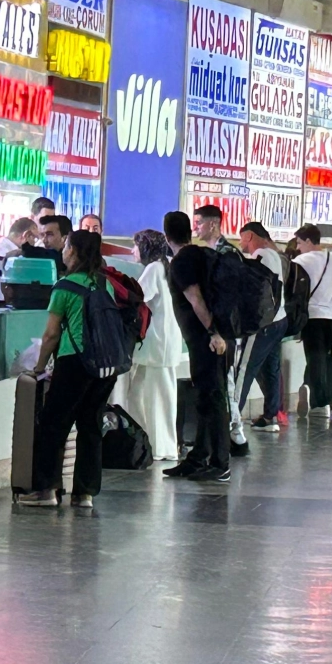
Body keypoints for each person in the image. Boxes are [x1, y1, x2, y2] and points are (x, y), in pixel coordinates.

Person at [18, 230, 119, 508]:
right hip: (104, 364)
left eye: (65, 247)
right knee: (90, 426)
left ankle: (45, 491)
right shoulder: (103, 283)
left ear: (73, 250)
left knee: (53, 425)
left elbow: (51, 335)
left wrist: (39, 367)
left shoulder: (64, 286)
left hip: (74, 362)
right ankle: (84, 494)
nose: (62, 252)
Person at [162, 211, 232, 482]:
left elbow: (196, 301)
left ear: (166, 234)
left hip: (208, 340)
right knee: (205, 398)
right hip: (208, 338)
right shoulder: (201, 254)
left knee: (213, 399)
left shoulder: (182, 261)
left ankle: (220, 462)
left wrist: (213, 333)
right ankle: (198, 457)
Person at [193, 205, 249, 456]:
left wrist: (219, 331)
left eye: (200, 223)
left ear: (213, 224)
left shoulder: (227, 255)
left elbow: (227, 298)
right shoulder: (218, 253)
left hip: (226, 332)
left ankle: (234, 436)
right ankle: (234, 435)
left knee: (226, 383)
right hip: (224, 330)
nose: (196, 228)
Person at [125, 230, 182, 461]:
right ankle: (158, 445)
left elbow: (139, 297)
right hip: (165, 343)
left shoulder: (153, 270)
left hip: (157, 344)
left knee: (154, 398)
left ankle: (159, 447)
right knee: (152, 395)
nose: (132, 251)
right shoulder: (166, 266)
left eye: (136, 246)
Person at [238, 222, 289, 431]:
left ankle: (231, 418)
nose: (240, 242)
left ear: (249, 236)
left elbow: (254, 292)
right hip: (280, 320)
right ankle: (271, 417)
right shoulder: (274, 255)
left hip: (263, 324)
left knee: (245, 370)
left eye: (241, 237)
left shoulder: (259, 256)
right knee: (271, 369)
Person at [293, 225, 332, 419]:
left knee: (314, 358)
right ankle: (309, 390)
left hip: (313, 315)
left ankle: (321, 403)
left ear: (307, 241)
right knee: (321, 358)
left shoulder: (301, 261)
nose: (297, 247)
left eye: (299, 242)